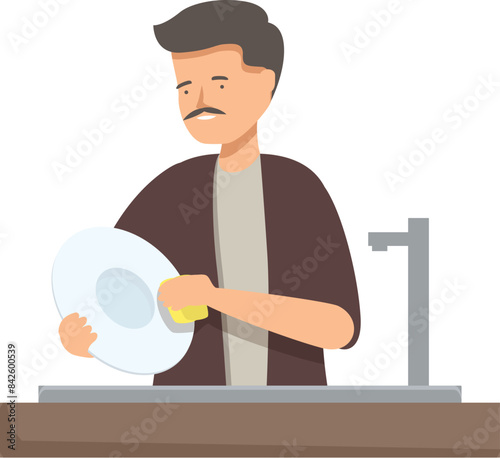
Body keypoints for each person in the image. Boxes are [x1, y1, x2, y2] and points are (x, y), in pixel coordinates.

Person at [59, 1, 361, 386]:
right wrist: (84, 335)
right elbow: (108, 289)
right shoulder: (168, 194)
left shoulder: (298, 190)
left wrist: (214, 298)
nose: (199, 100)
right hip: (184, 424)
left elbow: (339, 328)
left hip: (293, 422)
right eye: (185, 87)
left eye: (219, 84)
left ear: (266, 83)